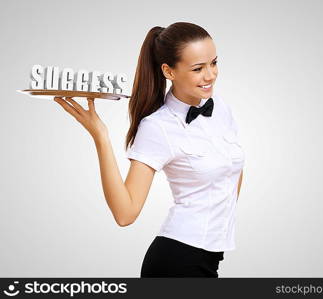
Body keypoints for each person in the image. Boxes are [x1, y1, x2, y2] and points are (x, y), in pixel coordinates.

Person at [53, 22, 245, 278]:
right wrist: (101, 136)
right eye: (198, 68)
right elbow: (125, 213)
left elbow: (232, 172)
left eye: (214, 63)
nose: (210, 75)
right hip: (178, 262)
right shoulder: (158, 127)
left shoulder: (220, 107)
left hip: (210, 258)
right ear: (169, 71)